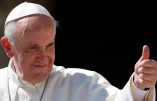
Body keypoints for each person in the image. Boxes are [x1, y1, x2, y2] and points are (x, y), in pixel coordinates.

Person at [0, 2, 156, 101]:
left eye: (49, 46)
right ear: (8, 47)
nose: (43, 58)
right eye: (33, 48)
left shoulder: (81, 83)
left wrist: (138, 86)